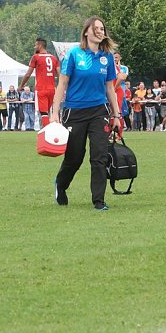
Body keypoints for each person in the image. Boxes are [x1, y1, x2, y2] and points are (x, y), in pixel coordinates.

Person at [50, 16, 120, 211]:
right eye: (96, 28)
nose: (99, 31)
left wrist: (116, 115)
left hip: (99, 111)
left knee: (99, 156)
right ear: (86, 32)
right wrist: (55, 113)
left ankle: (99, 201)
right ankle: (61, 185)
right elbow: (62, 84)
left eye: (102, 28)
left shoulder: (106, 57)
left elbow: (110, 88)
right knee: (75, 156)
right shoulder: (73, 54)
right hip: (75, 111)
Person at [19, 38, 60, 128]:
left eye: (36, 45)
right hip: (52, 89)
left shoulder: (36, 57)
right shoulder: (53, 58)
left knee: (43, 113)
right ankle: (53, 130)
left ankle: (46, 133)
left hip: (41, 89)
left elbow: (28, 74)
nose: (35, 47)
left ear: (40, 45)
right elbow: (59, 74)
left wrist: (21, 86)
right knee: (49, 111)